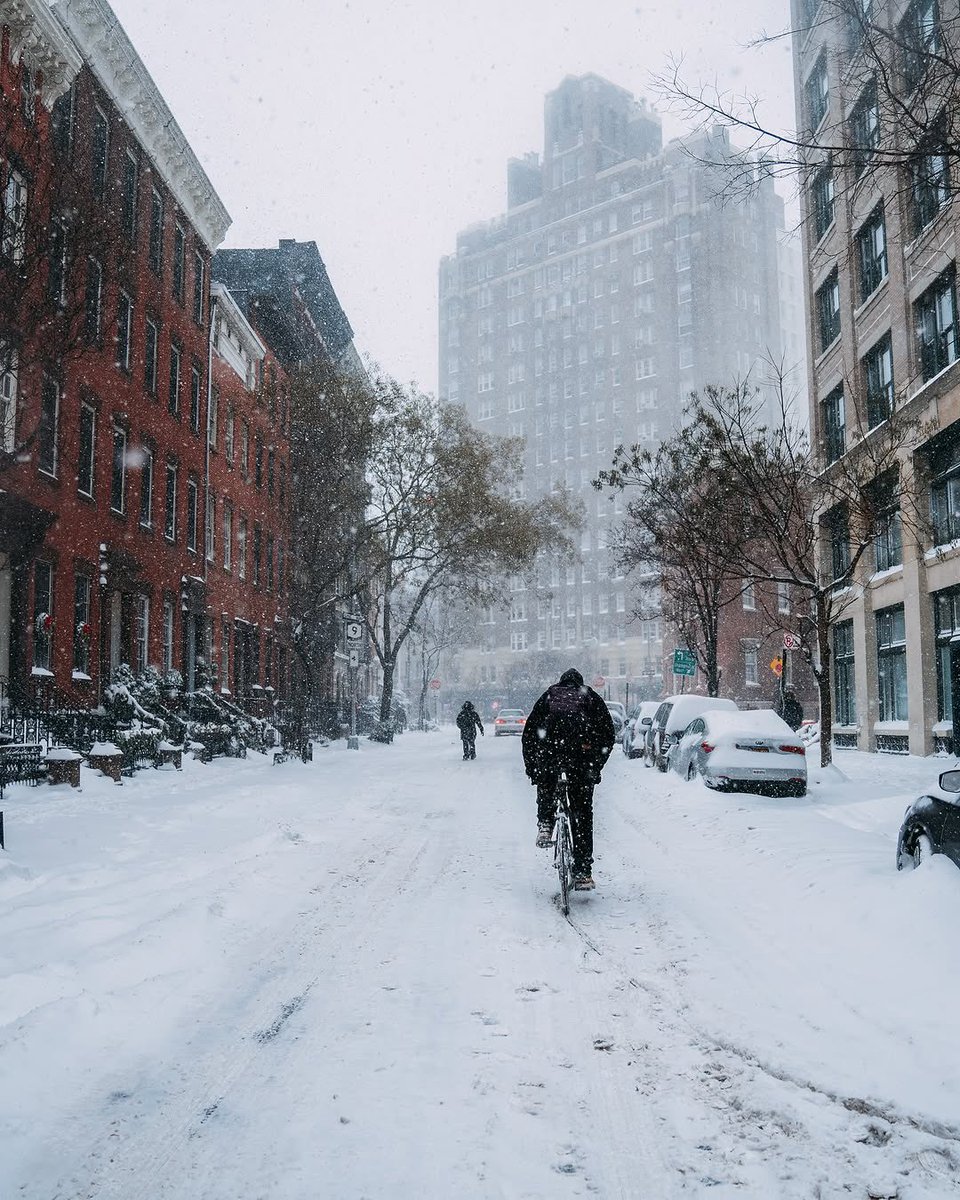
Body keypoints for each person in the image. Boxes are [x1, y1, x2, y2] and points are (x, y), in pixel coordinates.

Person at [521, 668, 616, 891]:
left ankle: (546, 823)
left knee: (546, 785)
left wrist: (533, 768)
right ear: (580, 683)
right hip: (581, 762)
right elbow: (607, 734)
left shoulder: (549, 696)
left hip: (551, 756)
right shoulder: (590, 697)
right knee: (583, 815)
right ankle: (583, 872)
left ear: (561, 683)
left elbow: (529, 734)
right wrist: (595, 765)